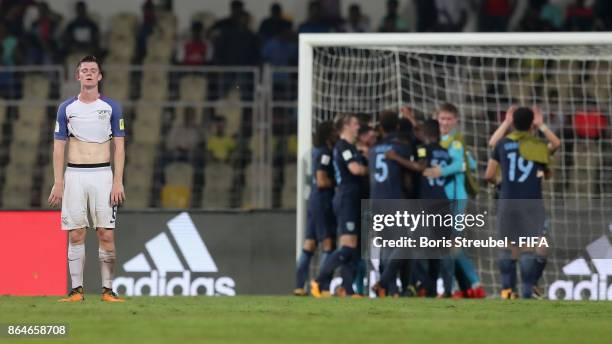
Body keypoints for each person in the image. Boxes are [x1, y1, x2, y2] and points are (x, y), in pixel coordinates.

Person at [49, 55, 126, 303]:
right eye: (85, 70)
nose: (89, 73)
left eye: (94, 70)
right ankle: (77, 291)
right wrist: (58, 182)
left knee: (106, 233)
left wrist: (118, 181)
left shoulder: (112, 107)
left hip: (103, 174)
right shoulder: (66, 108)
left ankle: (107, 290)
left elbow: (120, 148)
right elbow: (58, 147)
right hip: (75, 175)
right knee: (76, 233)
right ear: (78, 76)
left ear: (100, 76)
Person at [485, 106, 560, 299]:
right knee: (528, 247)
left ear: (513, 123)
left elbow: (489, 174)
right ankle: (528, 291)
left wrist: (501, 183)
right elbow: (556, 144)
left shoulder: (503, 144)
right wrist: (542, 125)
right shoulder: (538, 146)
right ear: (531, 125)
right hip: (531, 202)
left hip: (508, 200)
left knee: (507, 246)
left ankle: (507, 291)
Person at [423, 103, 485, 298]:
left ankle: (474, 284)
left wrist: (439, 171)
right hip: (442, 199)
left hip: (455, 198)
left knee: (452, 245)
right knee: (447, 246)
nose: (445, 123)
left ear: (456, 121)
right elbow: (471, 163)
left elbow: (461, 165)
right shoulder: (442, 141)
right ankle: (467, 287)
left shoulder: (455, 142)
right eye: (442, 119)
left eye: (449, 119)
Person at [310, 113, 367, 298]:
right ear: (346, 126)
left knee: (352, 248)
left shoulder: (349, 147)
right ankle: (318, 281)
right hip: (346, 199)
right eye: (355, 124)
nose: (358, 127)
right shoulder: (343, 146)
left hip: (351, 199)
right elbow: (355, 169)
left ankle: (347, 289)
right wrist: (371, 167)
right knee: (348, 248)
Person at [294, 121, 337, 296]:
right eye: (334, 131)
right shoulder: (325, 153)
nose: (337, 134)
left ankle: (298, 286)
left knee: (309, 245)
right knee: (328, 245)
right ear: (328, 134)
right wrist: (336, 183)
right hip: (322, 201)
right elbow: (321, 181)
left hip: (314, 200)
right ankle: (322, 286)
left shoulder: (315, 151)